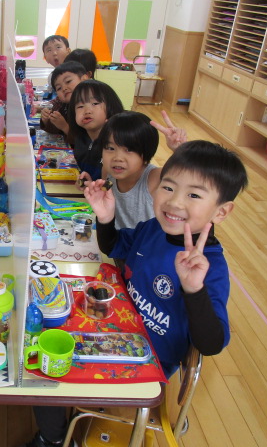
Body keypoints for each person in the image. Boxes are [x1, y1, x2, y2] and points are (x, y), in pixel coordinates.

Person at [26, 140, 248, 447]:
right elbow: (114, 246)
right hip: (116, 324)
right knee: (43, 328)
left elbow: (211, 344)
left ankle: (52, 440)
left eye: (194, 195)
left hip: (144, 357)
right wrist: (106, 216)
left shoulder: (210, 268)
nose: (174, 202)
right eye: (168, 188)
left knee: (47, 366)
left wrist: (193, 289)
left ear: (221, 211)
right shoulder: (153, 228)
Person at [95, 110, 187, 230]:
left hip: (145, 242)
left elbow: (187, 176)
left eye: (129, 150)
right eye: (110, 148)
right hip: (113, 238)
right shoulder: (107, 172)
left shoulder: (154, 178)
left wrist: (179, 150)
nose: (117, 158)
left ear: (146, 153)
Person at [68, 79, 124, 183]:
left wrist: (98, 187)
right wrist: (86, 183)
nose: (87, 111)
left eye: (95, 103)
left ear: (111, 107)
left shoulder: (116, 145)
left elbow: (113, 184)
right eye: (80, 106)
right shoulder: (81, 138)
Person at [39, 61, 90, 139]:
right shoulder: (65, 107)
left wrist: (65, 127)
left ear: (84, 79)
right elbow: (57, 132)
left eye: (68, 81)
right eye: (59, 88)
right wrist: (46, 120)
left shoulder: (91, 107)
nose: (64, 88)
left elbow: (86, 141)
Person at [42, 34, 71, 99]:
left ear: (68, 51)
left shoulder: (74, 71)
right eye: (49, 50)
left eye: (58, 47)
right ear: (46, 58)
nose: (54, 53)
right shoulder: (51, 77)